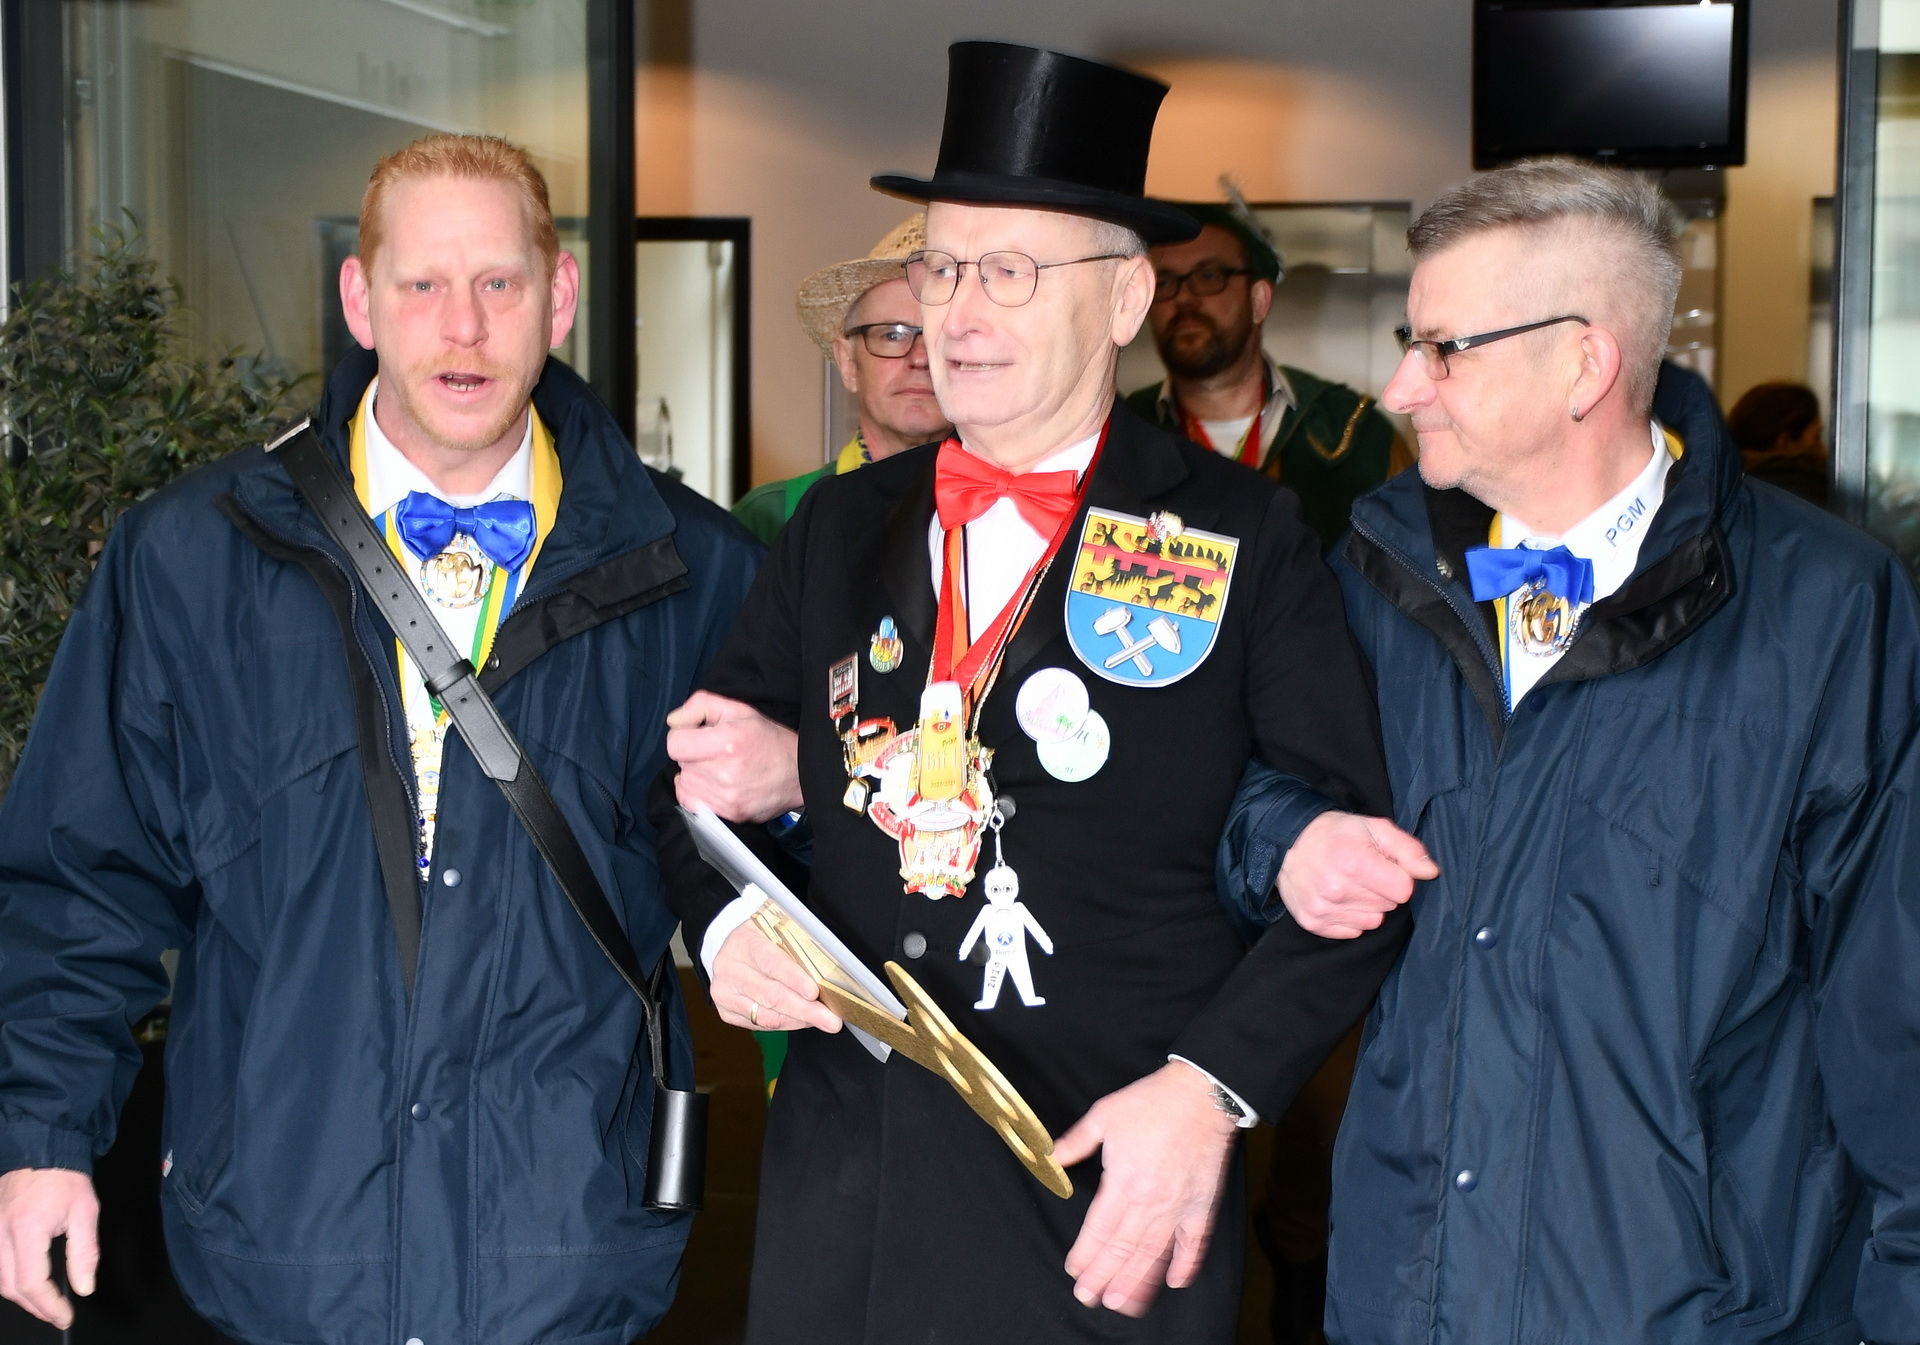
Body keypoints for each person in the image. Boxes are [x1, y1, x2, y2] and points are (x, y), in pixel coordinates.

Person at [654, 41, 1427, 1343]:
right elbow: (692, 784)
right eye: (943, 269)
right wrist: (727, 927)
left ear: (1126, 298)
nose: (958, 315)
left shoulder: (1245, 535)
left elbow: (1358, 875)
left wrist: (1215, 1088)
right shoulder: (839, 526)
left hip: (1103, 1194)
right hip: (848, 1201)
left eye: (1010, 272)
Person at [0, 133, 758, 1344]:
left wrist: (792, 795)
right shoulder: (189, 558)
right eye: (422, 284)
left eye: (499, 282)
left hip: (563, 1263)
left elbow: (770, 881)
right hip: (277, 1253)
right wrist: (40, 1138)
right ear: (360, 300)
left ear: (558, 296)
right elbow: (82, 876)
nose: (464, 327)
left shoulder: (700, 575)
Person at [1224, 156, 1920, 1344]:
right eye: (1408, 342)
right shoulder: (1373, 580)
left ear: (1584, 364)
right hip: (1407, 1300)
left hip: (1699, 1312)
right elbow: (1243, 793)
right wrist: (1288, 839)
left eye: (1443, 349)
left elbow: (1895, 1009)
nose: (1400, 387)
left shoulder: (1828, 611)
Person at [1126, 204, 1406, 550]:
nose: (1184, 298)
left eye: (1209, 276)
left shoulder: (1356, 435)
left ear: (1258, 301)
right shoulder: (1121, 431)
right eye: (1166, 282)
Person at [732, 215, 953, 545]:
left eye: (939, 336)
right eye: (891, 335)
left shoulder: (1010, 511)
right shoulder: (772, 519)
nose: (919, 358)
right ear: (848, 363)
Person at [1727, 378, 1828, 506]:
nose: (1823, 447)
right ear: (1785, 441)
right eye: (1817, 437)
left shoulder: (1723, 489)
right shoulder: (1814, 489)